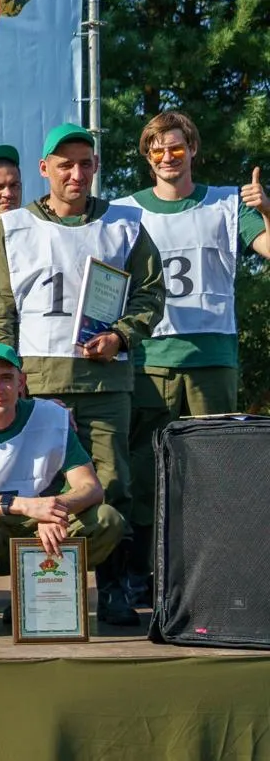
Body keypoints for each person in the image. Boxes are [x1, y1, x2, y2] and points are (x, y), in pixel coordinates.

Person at [0, 122, 163, 625]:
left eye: (85, 163)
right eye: (64, 164)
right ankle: (35, 596)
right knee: (35, 485)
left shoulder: (125, 223)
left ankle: (117, 590)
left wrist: (122, 335)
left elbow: (150, 294)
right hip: (36, 381)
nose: (76, 173)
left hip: (105, 382)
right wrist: (6, 374)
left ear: (96, 167)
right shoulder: (14, 226)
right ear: (45, 170)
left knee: (112, 484)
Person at [112, 111, 270, 604]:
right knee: (143, 472)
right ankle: (142, 573)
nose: (166, 157)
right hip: (147, 358)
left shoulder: (227, 202)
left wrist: (266, 210)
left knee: (217, 471)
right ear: (147, 156)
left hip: (210, 356)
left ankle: (216, 575)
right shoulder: (121, 210)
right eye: (157, 150)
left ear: (193, 149)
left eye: (176, 147)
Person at [0, 341, 127, 634]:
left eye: (6, 378)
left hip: (38, 524)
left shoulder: (51, 416)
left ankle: (33, 594)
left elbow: (90, 487)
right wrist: (25, 506)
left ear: (22, 381)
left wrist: (54, 510)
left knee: (107, 519)